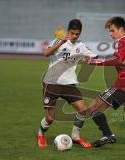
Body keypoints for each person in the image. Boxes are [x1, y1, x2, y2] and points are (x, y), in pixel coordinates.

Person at [83, 16, 125, 148]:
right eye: (109, 31)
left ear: (121, 29)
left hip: (124, 86)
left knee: (93, 108)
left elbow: (116, 60)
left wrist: (93, 61)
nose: (110, 34)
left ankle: (108, 134)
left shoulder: (122, 42)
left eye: (113, 30)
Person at [36, 19, 96, 148]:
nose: (74, 36)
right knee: (50, 119)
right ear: (68, 31)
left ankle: (75, 137)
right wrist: (61, 42)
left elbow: (94, 57)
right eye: (72, 33)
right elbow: (46, 53)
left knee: (82, 110)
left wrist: (90, 58)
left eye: (77, 34)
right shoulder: (59, 41)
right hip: (52, 83)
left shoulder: (81, 46)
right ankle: (40, 133)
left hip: (69, 84)